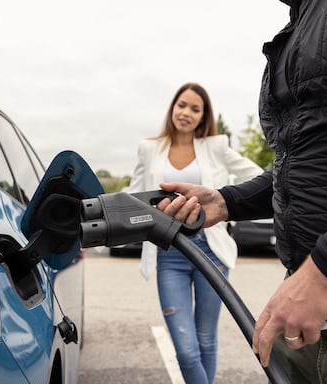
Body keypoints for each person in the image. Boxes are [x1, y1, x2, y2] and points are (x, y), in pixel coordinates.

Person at [156, 1, 327, 383]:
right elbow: (315, 166)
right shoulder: (303, 20)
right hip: (312, 320)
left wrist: (325, 271)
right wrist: (228, 201)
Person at [124, 82, 263, 384]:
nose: (186, 112)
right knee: (186, 350)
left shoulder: (216, 147)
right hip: (168, 251)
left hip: (211, 250)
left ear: (203, 117)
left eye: (195, 109)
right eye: (182, 105)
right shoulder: (150, 149)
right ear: (173, 107)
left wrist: (225, 202)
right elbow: (132, 195)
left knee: (205, 341)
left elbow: (257, 177)